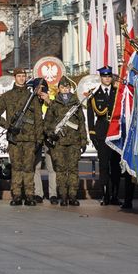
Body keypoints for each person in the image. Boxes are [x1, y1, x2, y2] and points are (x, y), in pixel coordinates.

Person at [0, 69, 42, 206]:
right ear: (15, 77)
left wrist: (39, 138)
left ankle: (30, 195)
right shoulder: (7, 96)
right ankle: (17, 195)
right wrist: (8, 126)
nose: (22, 78)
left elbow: (38, 119)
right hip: (15, 138)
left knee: (29, 168)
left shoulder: (32, 97)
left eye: (24, 76)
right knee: (16, 167)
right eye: (19, 76)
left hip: (30, 138)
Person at [44, 78, 87, 206]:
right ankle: (63, 196)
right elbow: (47, 123)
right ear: (59, 89)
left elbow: (81, 123)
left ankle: (73, 196)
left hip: (74, 142)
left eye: (67, 88)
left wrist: (83, 141)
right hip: (59, 143)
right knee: (61, 171)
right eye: (62, 88)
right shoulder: (54, 104)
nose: (65, 90)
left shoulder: (76, 104)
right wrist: (51, 134)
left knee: (73, 170)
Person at [86, 67, 121, 205]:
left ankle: (115, 196)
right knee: (104, 166)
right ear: (101, 77)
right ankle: (105, 196)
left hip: (116, 133)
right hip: (101, 133)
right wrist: (92, 132)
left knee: (116, 166)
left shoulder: (117, 92)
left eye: (109, 76)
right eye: (105, 76)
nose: (107, 78)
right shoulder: (94, 93)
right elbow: (90, 115)